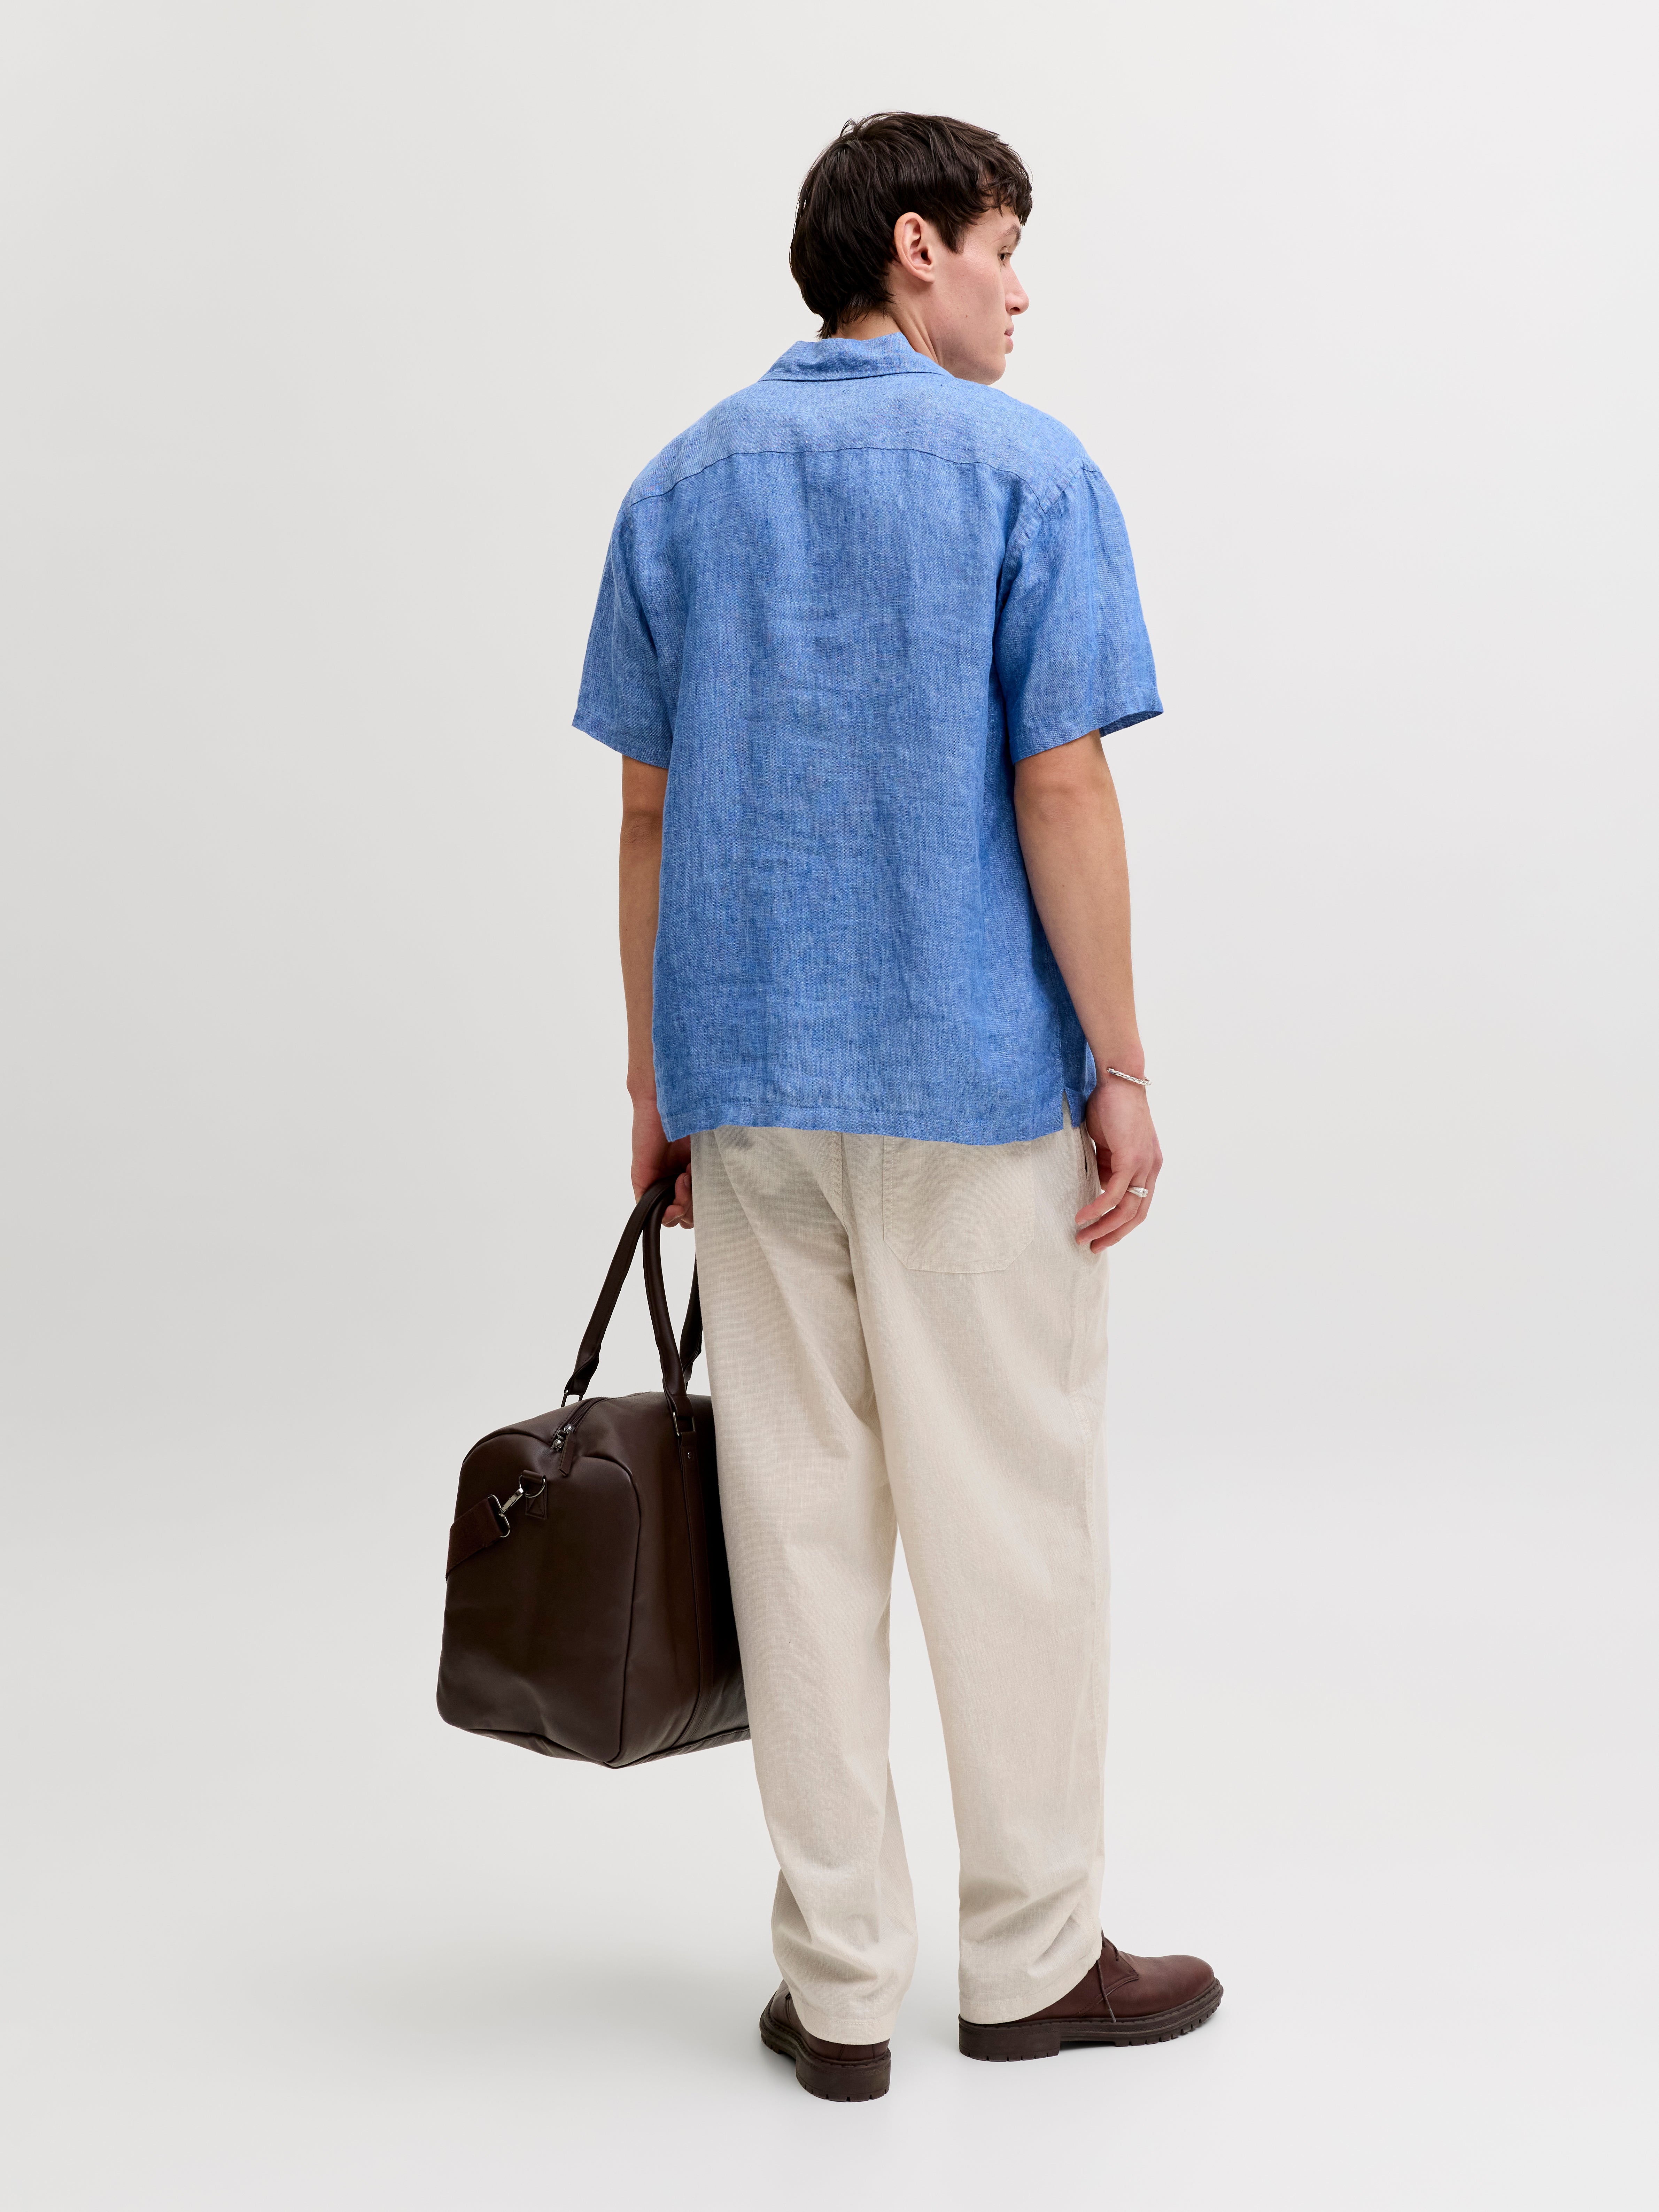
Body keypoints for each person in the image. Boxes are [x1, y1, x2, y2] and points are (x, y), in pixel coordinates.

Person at [574, 111, 1220, 2102]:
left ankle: (841, 1992)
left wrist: (658, 1089)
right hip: (974, 1089)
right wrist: (1121, 1064)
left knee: (794, 1532)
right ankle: (1030, 1965)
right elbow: (1063, 785)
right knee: (1009, 1522)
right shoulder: (1031, 472)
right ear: (916, 246)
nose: (1023, 293)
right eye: (1005, 250)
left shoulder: (681, 485)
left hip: (756, 1100)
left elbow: (649, 817)